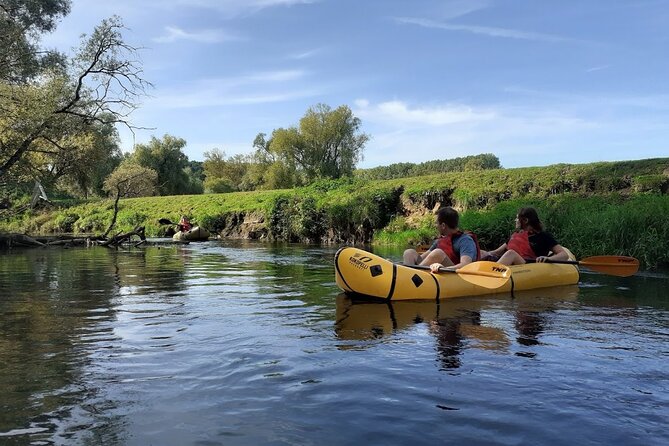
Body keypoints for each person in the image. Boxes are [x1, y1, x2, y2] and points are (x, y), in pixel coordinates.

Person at [480, 207, 569, 265]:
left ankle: (490, 276)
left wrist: (548, 258)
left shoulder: (543, 236)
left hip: (528, 266)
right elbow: (496, 252)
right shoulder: (515, 235)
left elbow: (564, 254)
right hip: (512, 266)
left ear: (525, 220)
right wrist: (483, 253)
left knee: (511, 253)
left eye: (517, 218)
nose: (515, 221)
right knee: (482, 252)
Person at [403, 206, 480, 272]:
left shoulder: (465, 240)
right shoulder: (439, 241)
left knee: (437, 253)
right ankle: (408, 274)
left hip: (455, 276)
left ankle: (413, 277)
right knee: (409, 252)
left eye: (436, 223)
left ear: (443, 225)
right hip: (438, 272)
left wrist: (444, 269)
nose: (435, 226)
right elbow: (422, 260)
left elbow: (465, 265)